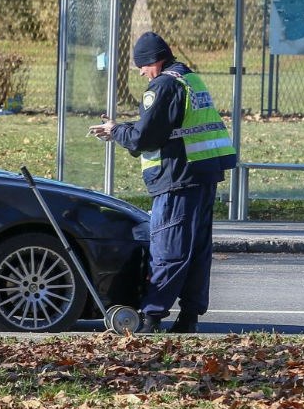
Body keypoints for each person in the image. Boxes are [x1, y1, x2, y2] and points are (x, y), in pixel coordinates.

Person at [88, 32, 237, 333]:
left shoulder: (163, 85)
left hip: (177, 179)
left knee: (168, 248)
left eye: (142, 66)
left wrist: (116, 131)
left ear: (154, 61)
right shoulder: (189, 79)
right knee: (196, 251)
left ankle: (152, 317)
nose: (141, 73)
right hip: (202, 175)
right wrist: (124, 129)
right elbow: (169, 128)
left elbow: (146, 137)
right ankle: (189, 318)